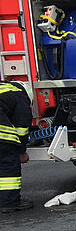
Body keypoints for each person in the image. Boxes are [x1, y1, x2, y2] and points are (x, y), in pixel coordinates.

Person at [0, 80, 33, 213]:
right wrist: (21, 151)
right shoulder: (19, 95)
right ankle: (9, 202)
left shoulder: (5, 89)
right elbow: (21, 127)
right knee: (8, 164)